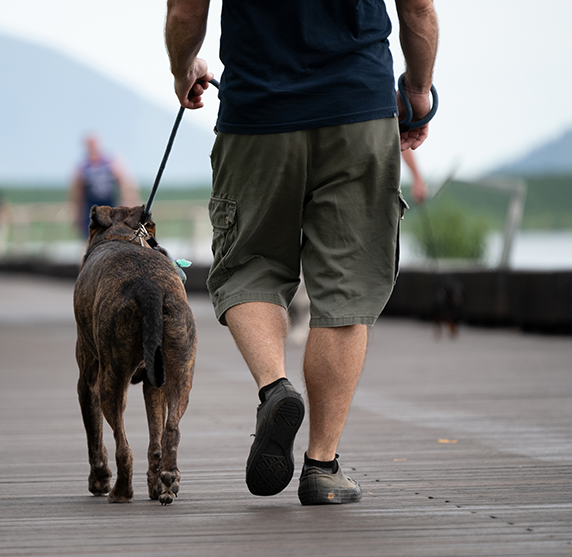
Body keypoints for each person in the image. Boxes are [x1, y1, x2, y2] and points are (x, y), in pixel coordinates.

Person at [165, 0, 438, 505]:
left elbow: (185, 11)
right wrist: (418, 92)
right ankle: (322, 467)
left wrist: (186, 69)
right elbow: (417, 7)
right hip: (356, 108)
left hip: (257, 113)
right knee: (345, 285)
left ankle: (275, 389)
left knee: (250, 266)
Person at [69, 134, 138, 238]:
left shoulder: (110, 162)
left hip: (110, 204)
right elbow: (78, 191)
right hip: (91, 207)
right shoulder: (83, 166)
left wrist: (128, 202)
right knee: (91, 237)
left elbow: (125, 183)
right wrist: (77, 214)